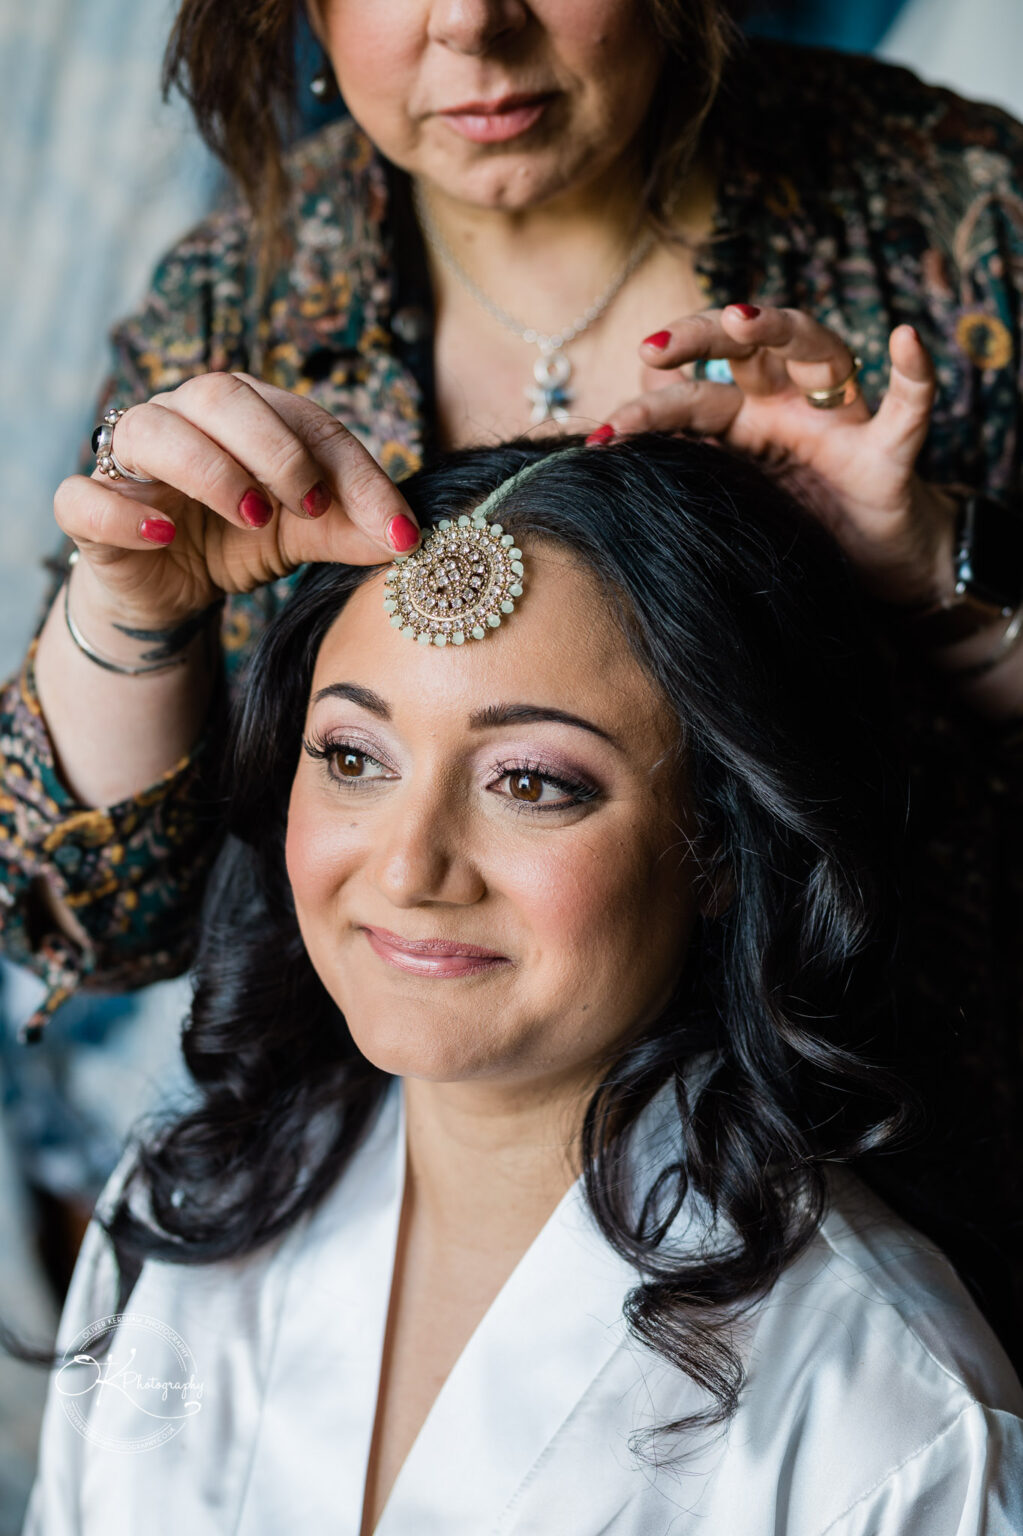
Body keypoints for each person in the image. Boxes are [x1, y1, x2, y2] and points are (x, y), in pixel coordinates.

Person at [1, 0, 1022, 1341]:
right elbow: (88, 913)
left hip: (917, 1213)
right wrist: (129, 614)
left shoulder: (956, 227)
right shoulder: (236, 293)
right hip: (386, 1230)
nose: (471, 25)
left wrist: (933, 573)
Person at [20, 436, 1023, 1534]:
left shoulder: (886, 1418)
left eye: (531, 782)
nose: (408, 869)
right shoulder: (187, 1210)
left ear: (723, 847)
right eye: (354, 757)